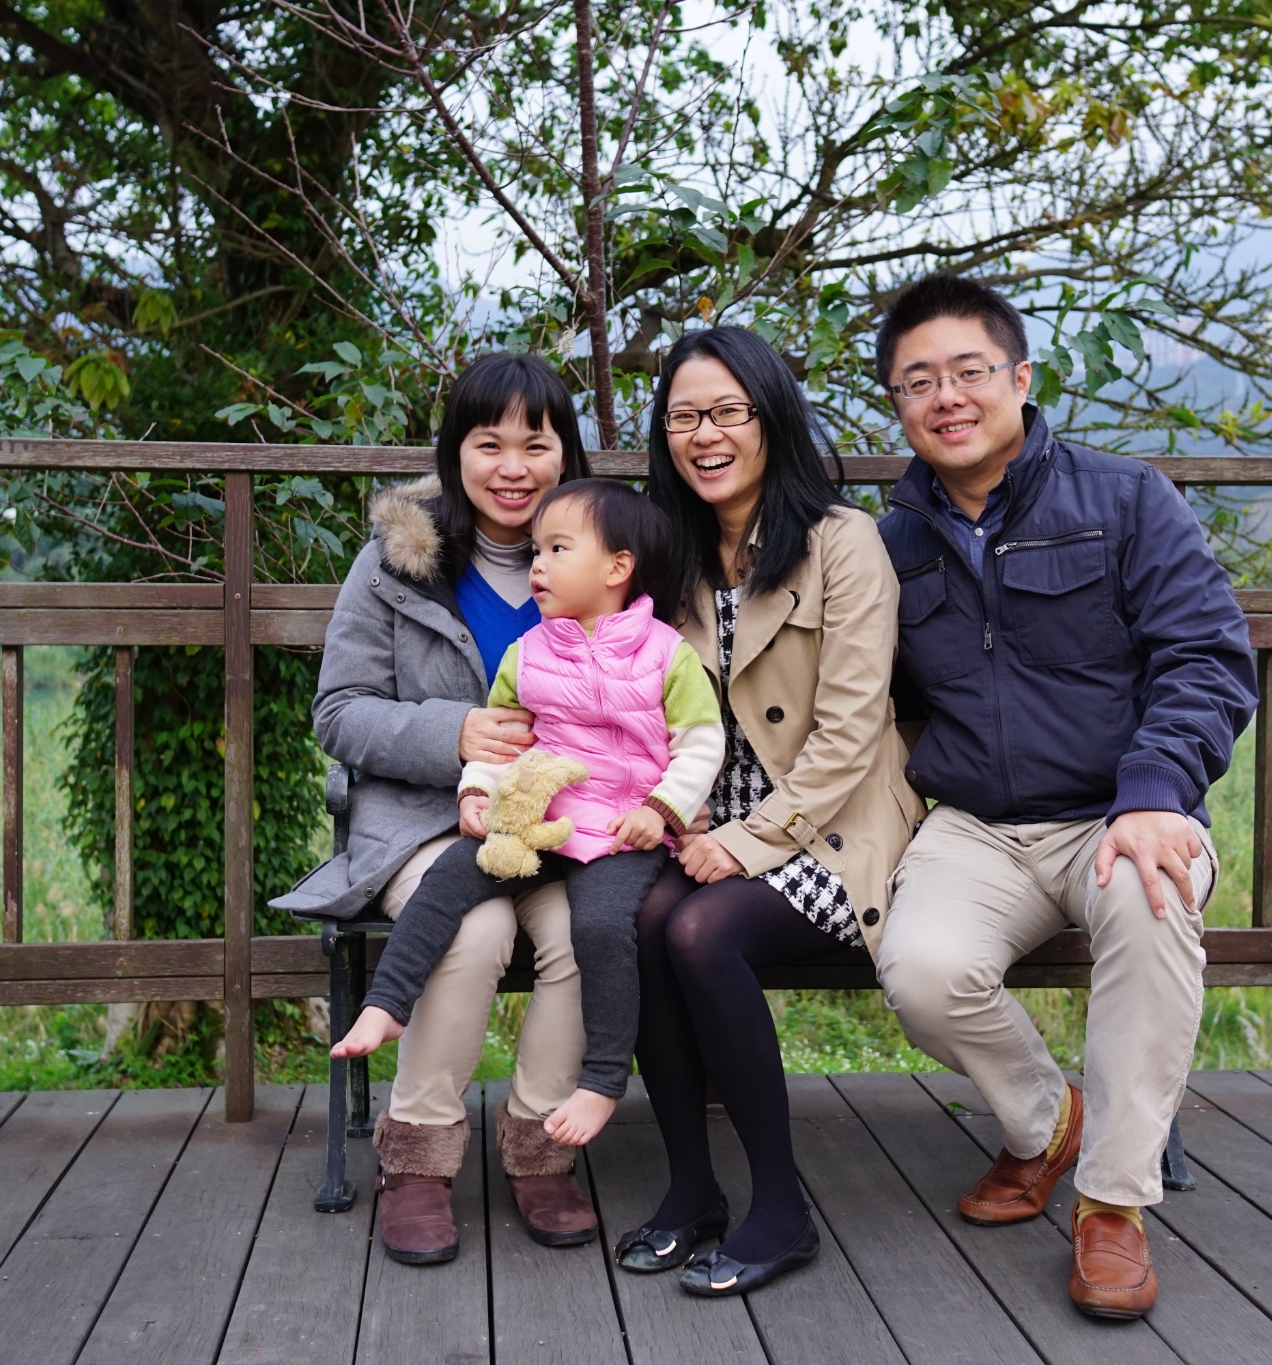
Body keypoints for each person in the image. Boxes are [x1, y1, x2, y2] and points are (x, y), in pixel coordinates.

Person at [872, 274, 1256, 1319]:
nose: (946, 397)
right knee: (920, 968)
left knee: (1152, 896)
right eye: (917, 381)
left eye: (968, 371)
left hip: (1118, 812)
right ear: (896, 404)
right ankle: (1050, 1123)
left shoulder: (1125, 499)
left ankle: (1112, 1203)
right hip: (974, 827)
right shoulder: (888, 545)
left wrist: (1156, 789)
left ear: (1020, 378)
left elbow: (1206, 656)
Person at [614, 326, 923, 1298]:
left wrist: (749, 841)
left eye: (726, 412)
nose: (704, 435)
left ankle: (781, 1207)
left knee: (698, 930)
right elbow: (646, 710)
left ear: (771, 418)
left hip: (831, 827)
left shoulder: (842, 543)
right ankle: (692, 1189)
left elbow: (849, 732)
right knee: (639, 919)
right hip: (710, 821)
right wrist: (679, 814)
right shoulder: (669, 555)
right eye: (683, 418)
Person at [276, 352, 599, 1264]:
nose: (513, 467)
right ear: (455, 452)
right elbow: (337, 711)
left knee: (588, 930)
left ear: (567, 454)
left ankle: (541, 1145)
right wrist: (453, 732)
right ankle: (415, 1157)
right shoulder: (394, 564)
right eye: (488, 443)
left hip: (562, 822)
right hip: (422, 822)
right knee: (473, 924)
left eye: (536, 444)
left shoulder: (602, 560)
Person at [332, 479, 724, 1151]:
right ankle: (386, 1003)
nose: (536, 565)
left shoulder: (667, 653)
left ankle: (602, 1081)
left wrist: (663, 810)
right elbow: (505, 739)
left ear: (617, 567)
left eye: (556, 550)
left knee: (598, 928)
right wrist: (476, 793)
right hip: (538, 819)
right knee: (451, 877)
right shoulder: (529, 652)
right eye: (536, 550)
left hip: (620, 829)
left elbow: (701, 743)